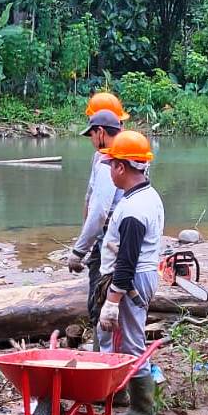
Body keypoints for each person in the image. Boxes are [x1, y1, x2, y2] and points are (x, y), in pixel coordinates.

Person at [95, 131, 164, 415]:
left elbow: (127, 260)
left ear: (121, 167)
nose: (110, 171)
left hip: (132, 278)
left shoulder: (135, 210)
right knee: (117, 338)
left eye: (112, 165)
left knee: (130, 342)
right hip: (138, 275)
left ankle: (141, 409)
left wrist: (113, 299)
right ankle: (121, 396)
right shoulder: (145, 195)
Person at [67, 108, 125, 326]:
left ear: (100, 132)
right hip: (119, 238)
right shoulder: (126, 156)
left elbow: (100, 212)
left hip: (109, 239)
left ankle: (101, 352)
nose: (91, 140)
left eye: (91, 135)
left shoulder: (108, 163)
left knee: (99, 301)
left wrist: (78, 251)